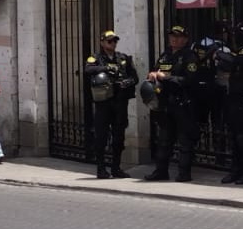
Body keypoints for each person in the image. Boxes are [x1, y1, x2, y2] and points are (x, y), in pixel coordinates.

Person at [145, 24, 207, 182]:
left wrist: (167, 78)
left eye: (178, 36)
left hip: (183, 104)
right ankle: (161, 171)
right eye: (172, 36)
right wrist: (152, 74)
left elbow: (190, 80)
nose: (174, 39)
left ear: (185, 39)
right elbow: (156, 69)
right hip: (166, 103)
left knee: (184, 140)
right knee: (164, 139)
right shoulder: (165, 55)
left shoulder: (189, 56)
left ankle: (184, 173)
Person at [83, 29, 137, 179]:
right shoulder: (96, 58)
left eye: (114, 41)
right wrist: (106, 68)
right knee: (101, 136)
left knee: (119, 136)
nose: (112, 43)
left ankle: (116, 168)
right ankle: (101, 169)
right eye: (109, 41)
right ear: (102, 42)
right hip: (104, 103)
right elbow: (88, 69)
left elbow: (135, 77)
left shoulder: (123, 58)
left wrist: (128, 82)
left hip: (120, 102)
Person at [214, 20, 243, 185]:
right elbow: (227, 64)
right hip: (232, 95)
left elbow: (235, 62)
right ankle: (236, 169)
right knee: (233, 135)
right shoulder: (239, 51)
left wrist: (220, 54)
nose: (235, 36)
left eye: (237, 33)